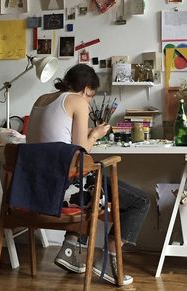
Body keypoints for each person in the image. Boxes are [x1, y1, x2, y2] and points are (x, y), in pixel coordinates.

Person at [26, 64, 150, 286]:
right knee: (140, 200)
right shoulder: (77, 101)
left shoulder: (41, 99)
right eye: (91, 96)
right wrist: (96, 134)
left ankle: (70, 249)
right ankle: (110, 262)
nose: (90, 101)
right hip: (64, 192)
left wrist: (88, 136)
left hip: (35, 190)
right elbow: (82, 151)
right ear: (84, 90)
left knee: (90, 187)